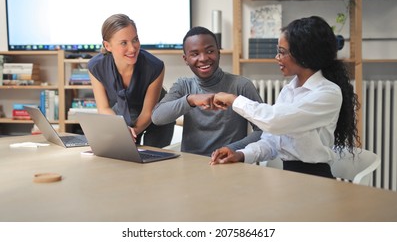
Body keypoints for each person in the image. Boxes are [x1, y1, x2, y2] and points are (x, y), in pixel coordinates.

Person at [210, 16, 360, 178]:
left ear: (303, 54)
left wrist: (234, 100)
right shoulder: (289, 90)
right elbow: (272, 141)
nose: (277, 57)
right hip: (289, 177)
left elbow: (274, 121)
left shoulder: (328, 93)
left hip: (316, 180)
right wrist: (241, 154)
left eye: (282, 52)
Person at [151, 26, 263, 156]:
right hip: (192, 166)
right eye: (195, 54)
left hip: (229, 165)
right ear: (185, 59)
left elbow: (263, 130)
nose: (203, 58)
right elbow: (157, 117)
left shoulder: (241, 86)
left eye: (209, 51)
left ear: (218, 52)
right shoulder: (183, 86)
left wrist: (232, 149)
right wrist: (190, 100)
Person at [87, 13, 174, 147]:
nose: (132, 48)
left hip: (157, 116)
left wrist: (130, 133)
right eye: (123, 43)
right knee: (124, 157)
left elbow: (148, 113)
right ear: (107, 45)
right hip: (122, 116)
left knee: (154, 158)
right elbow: (103, 108)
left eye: (135, 39)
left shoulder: (155, 67)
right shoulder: (96, 67)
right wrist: (122, 130)